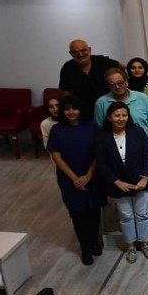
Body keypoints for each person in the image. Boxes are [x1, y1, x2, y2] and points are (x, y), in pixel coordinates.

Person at [94, 68, 148, 224]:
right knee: (122, 184)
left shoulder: (142, 98)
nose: (117, 86)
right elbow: (100, 129)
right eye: (112, 84)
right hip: (116, 151)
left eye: (120, 82)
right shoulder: (101, 103)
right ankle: (126, 214)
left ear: (126, 81)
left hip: (143, 150)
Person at [95, 102, 148, 264]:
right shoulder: (102, 136)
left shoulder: (137, 132)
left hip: (140, 182)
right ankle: (130, 246)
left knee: (142, 214)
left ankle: (145, 244)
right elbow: (101, 164)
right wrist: (116, 182)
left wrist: (145, 178)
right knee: (126, 216)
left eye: (124, 115)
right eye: (117, 115)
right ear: (109, 117)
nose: (121, 119)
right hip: (118, 184)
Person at [46, 96, 103, 265]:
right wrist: (75, 179)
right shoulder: (57, 130)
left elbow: (98, 153)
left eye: (74, 108)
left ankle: (95, 241)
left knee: (94, 211)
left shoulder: (92, 127)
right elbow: (56, 157)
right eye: (67, 109)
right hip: (69, 178)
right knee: (79, 214)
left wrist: (88, 176)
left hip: (92, 175)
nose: (71, 112)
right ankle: (85, 247)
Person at [59, 39, 120, 121]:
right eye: (75, 52)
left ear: (89, 50)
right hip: (82, 113)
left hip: (108, 108)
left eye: (83, 50)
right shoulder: (67, 68)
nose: (80, 54)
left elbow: (123, 68)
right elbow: (65, 93)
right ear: (70, 53)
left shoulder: (103, 61)